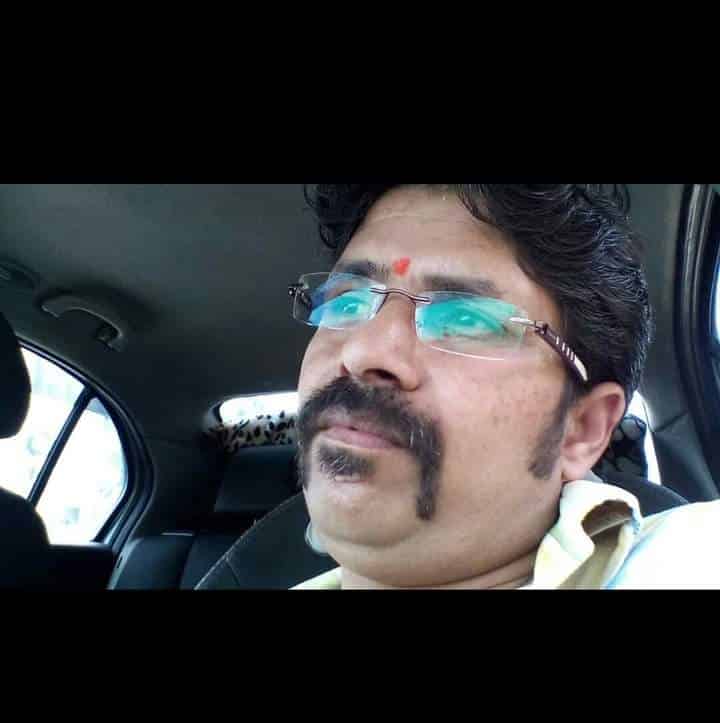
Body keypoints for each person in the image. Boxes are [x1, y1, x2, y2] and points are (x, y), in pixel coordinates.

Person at [288, 184, 720, 589]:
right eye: (347, 302)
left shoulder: (691, 559)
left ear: (582, 429)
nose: (364, 351)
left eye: (463, 319)